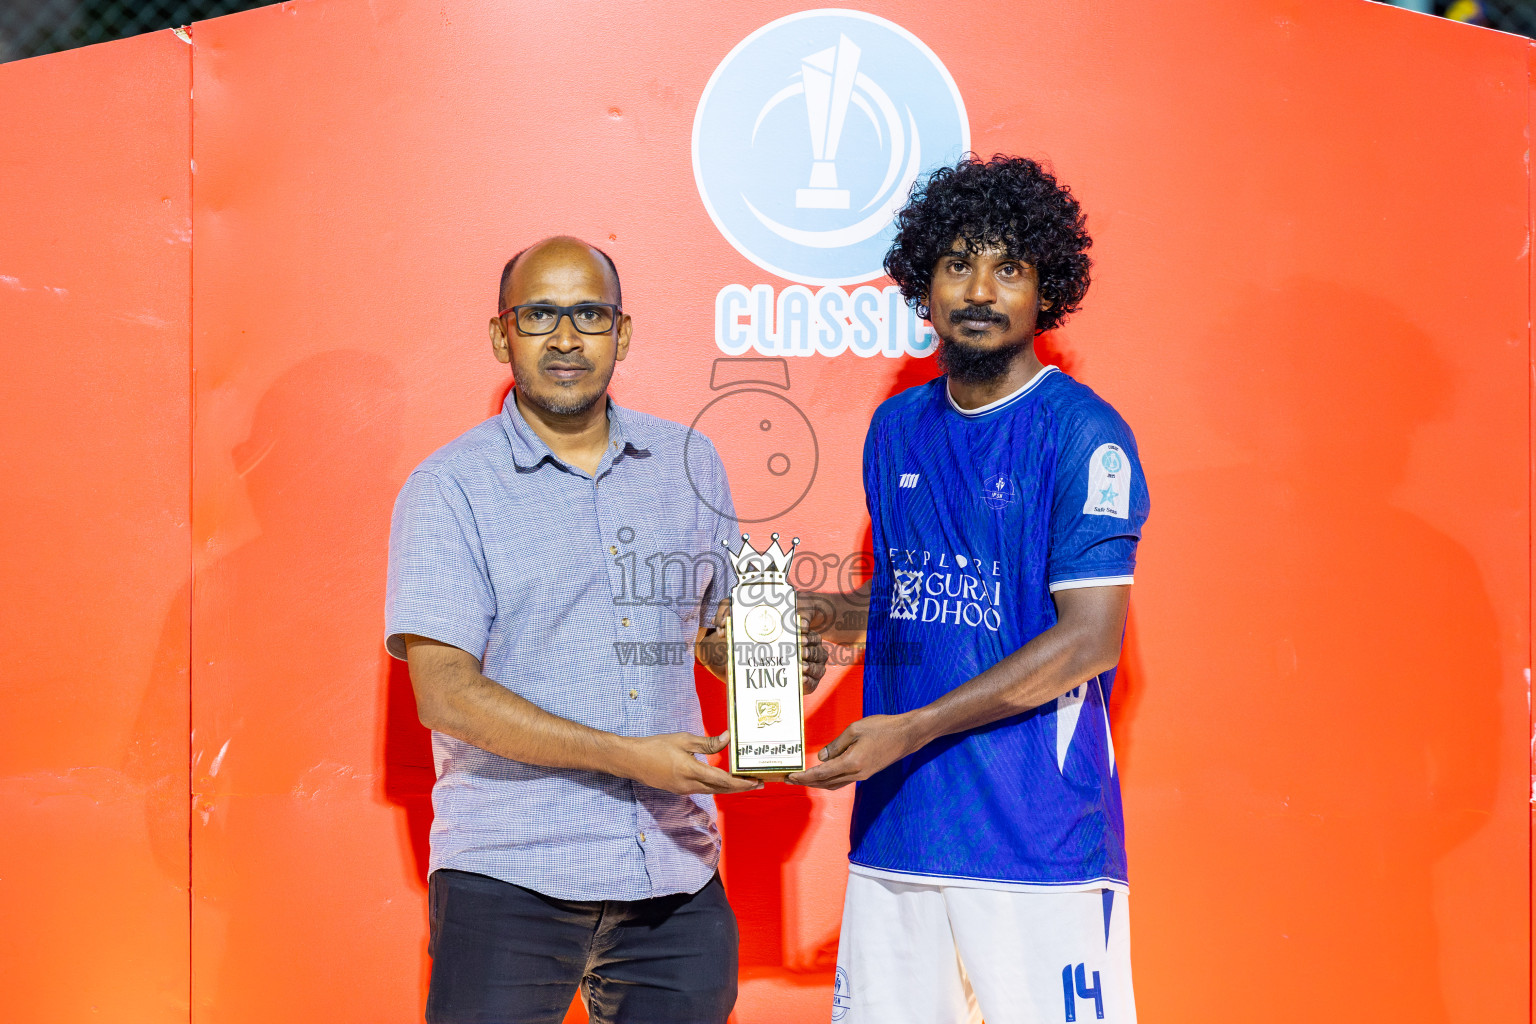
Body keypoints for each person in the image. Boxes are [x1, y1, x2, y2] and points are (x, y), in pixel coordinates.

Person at [385, 236, 825, 1024]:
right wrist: (626, 757)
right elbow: (445, 694)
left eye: (589, 314)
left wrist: (781, 658)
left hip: (673, 873)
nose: (564, 338)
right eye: (539, 315)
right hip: (509, 876)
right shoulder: (448, 487)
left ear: (622, 334)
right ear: (501, 336)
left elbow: (719, 634)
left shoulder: (689, 460)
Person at [790, 156, 1148, 1024]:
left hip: (1036, 846)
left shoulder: (1085, 435)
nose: (979, 289)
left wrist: (908, 729)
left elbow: (1088, 640)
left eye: (1007, 267)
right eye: (958, 264)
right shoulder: (895, 426)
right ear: (925, 281)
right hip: (899, 835)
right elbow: (919, 596)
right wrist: (826, 618)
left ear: (1044, 289)